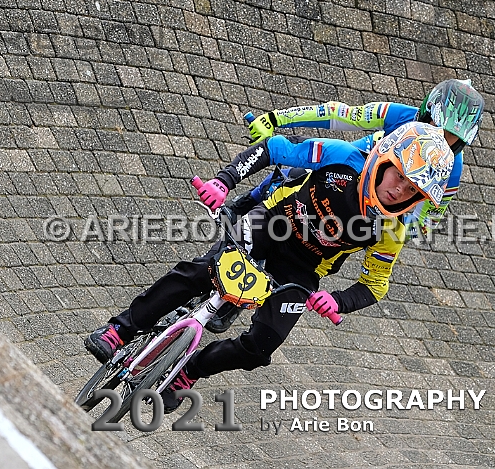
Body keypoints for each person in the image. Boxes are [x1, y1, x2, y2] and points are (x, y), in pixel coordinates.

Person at [85, 120, 455, 413]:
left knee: (262, 346)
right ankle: (120, 329)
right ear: (384, 160)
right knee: (204, 272)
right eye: (399, 176)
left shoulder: (392, 229)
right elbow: (275, 148)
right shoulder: (342, 158)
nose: (400, 191)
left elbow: (375, 285)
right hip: (272, 224)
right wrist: (224, 181)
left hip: (303, 269)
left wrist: (338, 301)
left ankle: (189, 372)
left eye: (412, 190)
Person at [206, 79, 485, 333]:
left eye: (452, 140)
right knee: (292, 171)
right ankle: (242, 207)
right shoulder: (400, 114)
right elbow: (339, 115)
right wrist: (275, 118)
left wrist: (388, 225)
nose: (440, 142)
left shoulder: (452, 170)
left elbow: (426, 220)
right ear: (424, 113)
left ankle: (246, 289)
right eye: (437, 129)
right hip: (353, 171)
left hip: (376, 206)